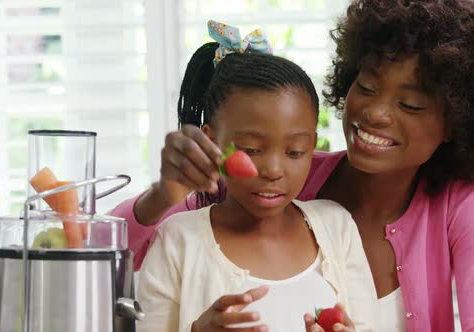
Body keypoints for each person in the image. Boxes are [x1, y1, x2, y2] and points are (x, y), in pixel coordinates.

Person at [110, 1, 474, 330]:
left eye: (410, 105)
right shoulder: (272, 179)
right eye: (368, 88)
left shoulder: (465, 203)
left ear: (456, 121)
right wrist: (162, 194)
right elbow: (96, 253)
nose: (374, 113)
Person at [136, 20, 377, 332]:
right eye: (250, 149)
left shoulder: (337, 228)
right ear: (211, 142)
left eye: (295, 152)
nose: (274, 171)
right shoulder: (178, 241)